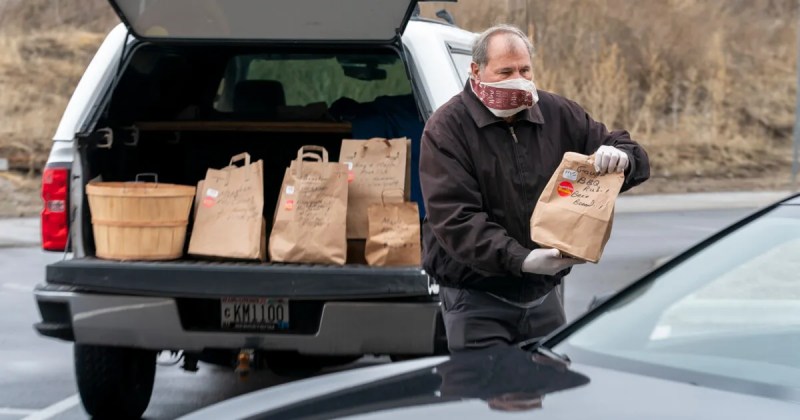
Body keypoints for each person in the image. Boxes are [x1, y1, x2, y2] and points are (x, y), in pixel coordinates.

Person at [419, 24, 650, 352]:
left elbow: (624, 149)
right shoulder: (447, 129)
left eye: (524, 69)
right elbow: (455, 219)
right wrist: (521, 259)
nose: (518, 78)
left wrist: (623, 158)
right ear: (476, 70)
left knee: (548, 392)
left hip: (544, 294)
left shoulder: (557, 113)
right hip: (477, 298)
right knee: (483, 396)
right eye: (505, 71)